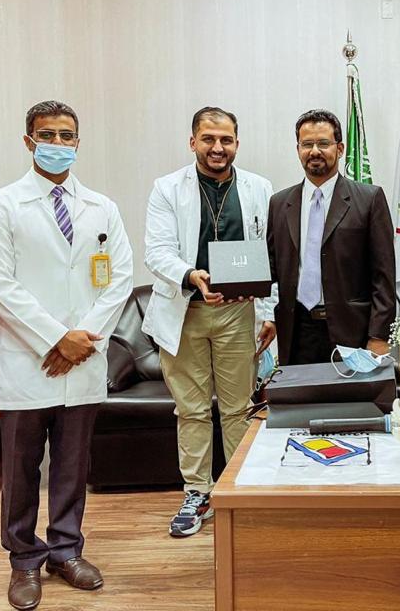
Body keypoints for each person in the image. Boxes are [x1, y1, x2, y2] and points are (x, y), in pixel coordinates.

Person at [0, 101, 133, 611]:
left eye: (67, 136)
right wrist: (56, 338)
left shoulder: (101, 207)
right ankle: (23, 558)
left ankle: (66, 550)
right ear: (28, 141)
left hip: (82, 359)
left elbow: (120, 279)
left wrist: (82, 340)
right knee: (20, 468)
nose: (58, 144)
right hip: (29, 361)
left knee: (71, 465)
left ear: (78, 142)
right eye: (47, 135)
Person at [142, 107, 276, 538]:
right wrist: (190, 275)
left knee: (239, 409)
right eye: (208, 139)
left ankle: (239, 490)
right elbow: (157, 251)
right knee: (192, 410)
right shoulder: (167, 189)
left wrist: (269, 312)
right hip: (185, 312)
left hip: (239, 313)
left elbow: (269, 254)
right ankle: (197, 492)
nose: (218, 148)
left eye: (226, 140)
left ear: (236, 143)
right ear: (193, 142)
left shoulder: (258, 188)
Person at [267, 109, 396, 366]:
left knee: (349, 394)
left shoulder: (369, 199)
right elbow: (271, 270)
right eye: (307, 144)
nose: (314, 151)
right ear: (298, 149)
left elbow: (383, 276)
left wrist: (378, 335)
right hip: (297, 331)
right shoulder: (279, 204)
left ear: (340, 148)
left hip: (352, 331)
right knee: (302, 393)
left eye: (323, 143)